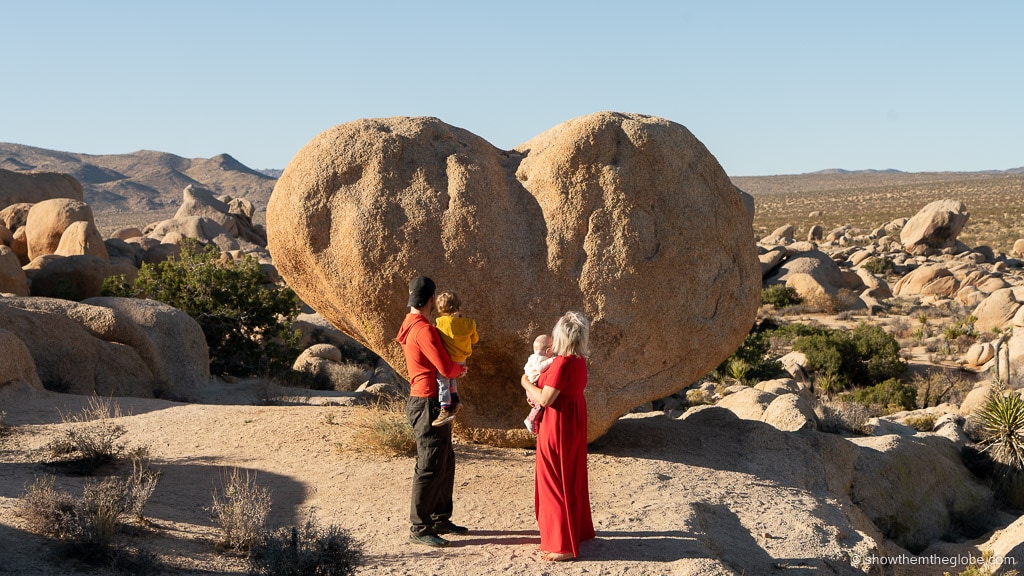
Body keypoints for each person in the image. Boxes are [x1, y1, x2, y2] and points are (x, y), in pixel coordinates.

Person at [396, 276, 470, 548]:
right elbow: (446, 367)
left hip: (426, 401)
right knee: (429, 464)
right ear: (430, 300)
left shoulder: (410, 323)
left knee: (444, 460)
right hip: (428, 402)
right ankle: (420, 526)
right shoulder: (424, 330)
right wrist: (461, 369)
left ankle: (440, 518)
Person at [520, 311, 595, 561]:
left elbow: (545, 398)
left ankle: (561, 544)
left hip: (558, 423)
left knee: (553, 478)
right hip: (573, 419)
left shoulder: (563, 363)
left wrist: (525, 383)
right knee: (570, 475)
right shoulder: (579, 360)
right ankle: (577, 531)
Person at [432, 291, 479, 427]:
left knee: (443, 380)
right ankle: (456, 400)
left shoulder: (440, 322)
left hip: (448, 358)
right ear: (459, 307)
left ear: (440, 309)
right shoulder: (470, 323)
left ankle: (445, 408)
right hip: (461, 360)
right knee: (452, 379)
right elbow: (475, 339)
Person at [522, 334, 554, 434]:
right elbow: (541, 367)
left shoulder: (536, 357)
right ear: (548, 351)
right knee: (539, 405)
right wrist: (552, 360)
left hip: (532, 386)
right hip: (533, 386)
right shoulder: (537, 358)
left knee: (540, 406)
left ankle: (535, 422)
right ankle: (530, 419)